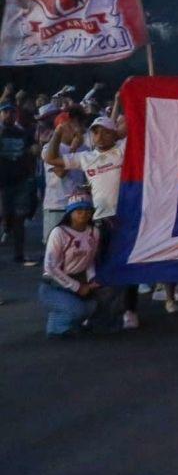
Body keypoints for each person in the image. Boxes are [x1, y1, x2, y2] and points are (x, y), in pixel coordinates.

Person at [45, 115, 140, 329]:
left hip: (125, 218)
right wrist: (58, 133)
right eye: (95, 131)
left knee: (129, 265)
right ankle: (99, 310)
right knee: (98, 268)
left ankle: (130, 310)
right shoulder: (86, 157)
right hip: (98, 221)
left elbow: (139, 128)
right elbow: (51, 159)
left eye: (105, 131)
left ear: (114, 134)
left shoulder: (123, 149)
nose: (100, 135)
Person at [39, 194, 103, 336]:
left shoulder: (94, 232)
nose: (84, 214)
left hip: (80, 278)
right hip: (54, 285)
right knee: (78, 310)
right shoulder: (59, 233)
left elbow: (90, 260)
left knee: (97, 303)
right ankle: (57, 327)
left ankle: (68, 321)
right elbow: (50, 267)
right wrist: (77, 287)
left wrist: (92, 279)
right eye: (79, 211)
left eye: (87, 210)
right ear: (70, 213)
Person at [40, 108, 87, 249]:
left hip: (78, 206)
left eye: (78, 124)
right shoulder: (49, 149)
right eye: (72, 125)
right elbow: (61, 173)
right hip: (57, 206)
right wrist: (73, 150)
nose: (77, 129)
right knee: (55, 249)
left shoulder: (85, 148)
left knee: (76, 248)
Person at [0, 101, 38, 266]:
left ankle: (19, 255)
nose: (9, 115)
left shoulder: (22, 133)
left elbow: (33, 149)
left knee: (19, 218)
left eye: (12, 112)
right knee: (4, 215)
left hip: (20, 180)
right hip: (2, 182)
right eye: (5, 112)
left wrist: (35, 149)